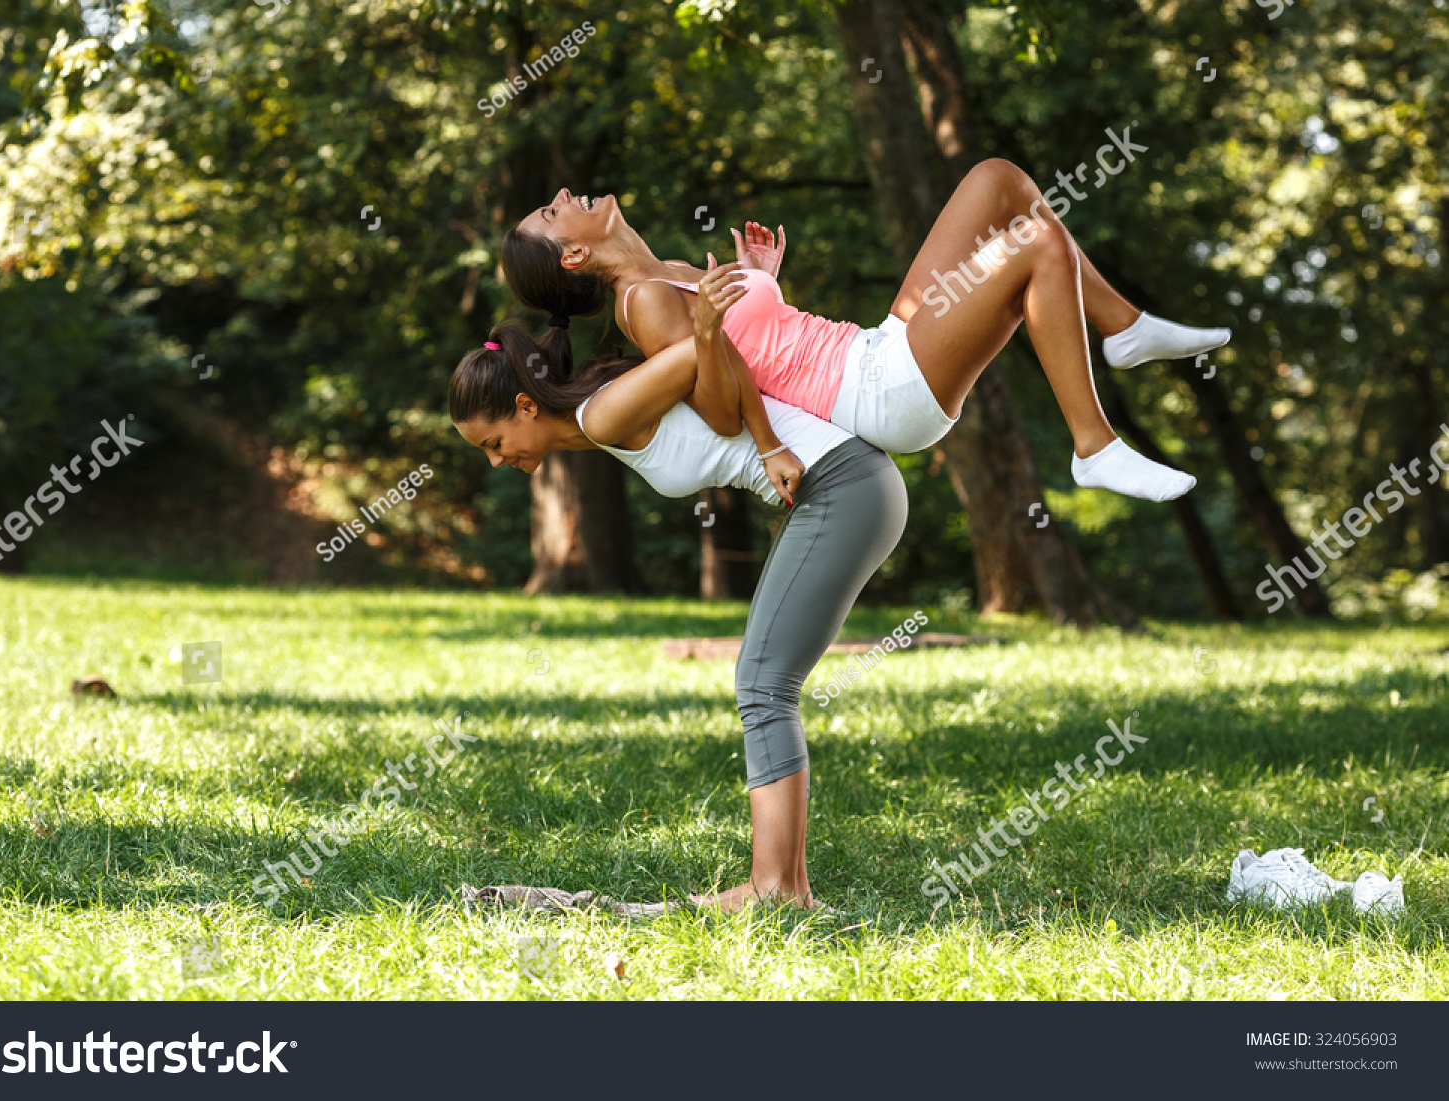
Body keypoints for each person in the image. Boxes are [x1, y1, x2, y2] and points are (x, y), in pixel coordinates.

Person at [449, 276, 905, 912]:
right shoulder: (596, 417)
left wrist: (770, 442)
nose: (496, 461)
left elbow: (699, 350)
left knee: (762, 683)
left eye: (494, 444)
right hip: (845, 488)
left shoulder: (600, 413)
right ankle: (786, 889)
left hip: (842, 486)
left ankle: (776, 889)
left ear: (526, 406)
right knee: (765, 681)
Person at [501, 159, 1233, 502]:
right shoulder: (646, 305)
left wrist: (765, 279)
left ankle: (1125, 329)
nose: (563, 194)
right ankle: (1094, 447)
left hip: (875, 346)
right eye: (553, 211)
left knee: (1000, 183)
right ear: (572, 254)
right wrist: (723, 357)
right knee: (1034, 247)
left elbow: (764, 345)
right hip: (879, 393)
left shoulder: (674, 269)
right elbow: (720, 406)